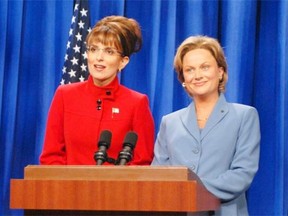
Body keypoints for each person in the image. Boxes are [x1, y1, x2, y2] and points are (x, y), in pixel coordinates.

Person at [151, 35, 260, 215]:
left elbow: (242, 173)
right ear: (183, 78)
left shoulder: (245, 116)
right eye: (190, 69)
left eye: (205, 67)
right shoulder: (169, 122)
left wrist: (192, 191)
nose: (198, 75)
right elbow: (159, 175)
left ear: (220, 71)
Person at [40, 16, 155, 165]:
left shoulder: (137, 103)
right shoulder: (65, 95)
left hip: (117, 188)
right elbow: (51, 157)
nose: (99, 57)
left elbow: (142, 163)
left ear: (123, 61)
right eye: (94, 49)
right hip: (68, 187)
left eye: (109, 51)